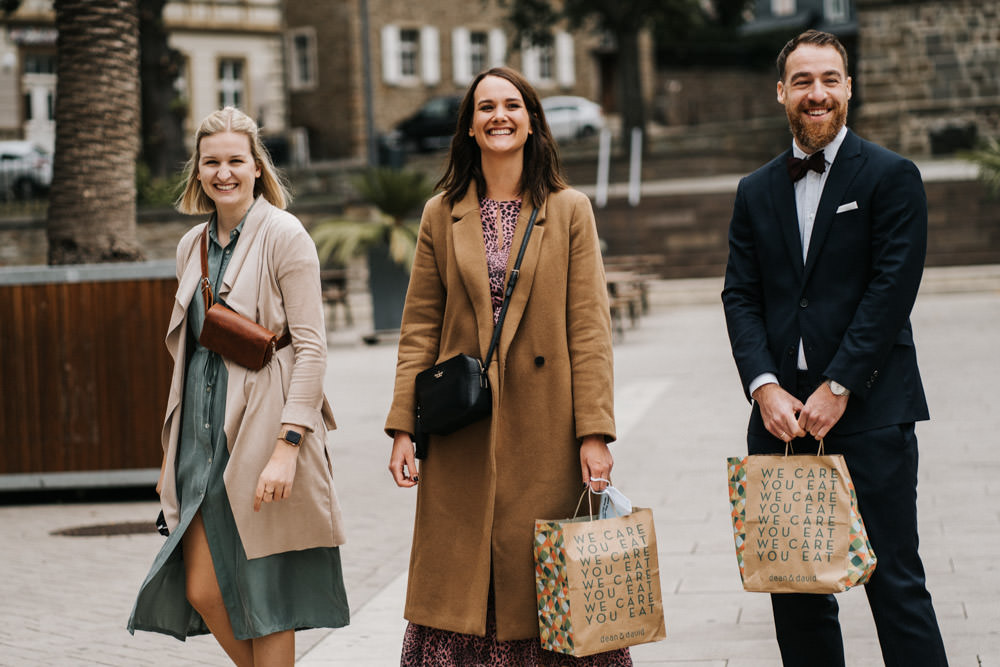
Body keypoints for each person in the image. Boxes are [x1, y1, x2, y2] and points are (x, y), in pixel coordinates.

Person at [385, 67, 631, 666]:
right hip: (462, 424)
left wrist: (594, 433)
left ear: (531, 122)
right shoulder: (441, 214)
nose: (499, 115)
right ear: (469, 126)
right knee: (463, 579)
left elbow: (589, 330)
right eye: (486, 106)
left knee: (544, 576)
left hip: (547, 427)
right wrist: (402, 428)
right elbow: (419, 325)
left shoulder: (570, 210)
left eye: (512, 105)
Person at [721, 30, 948, 666]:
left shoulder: (892, 177)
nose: (816, 94)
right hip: (779, 425)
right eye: (802, 81)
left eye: (829, 80)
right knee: (796, 600)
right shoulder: (753, 190)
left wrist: (839, 384)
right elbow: (740, 296)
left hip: (872, 415)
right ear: (780, 93)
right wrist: (764, 386)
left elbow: (890, 293)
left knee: (896, 587)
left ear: (848, 88)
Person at [128, 107, 349, 666]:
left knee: (267, 593)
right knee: (203, 588)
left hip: (263, 429)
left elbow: (312, 346)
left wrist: (288, 446)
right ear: (197, 172)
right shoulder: (190, 246)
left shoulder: (283, 233)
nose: (223, 172)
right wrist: (169, 456)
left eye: (234, 160)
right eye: (211, 162)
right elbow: (188, 357)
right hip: (199, 439)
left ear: (256, 167)